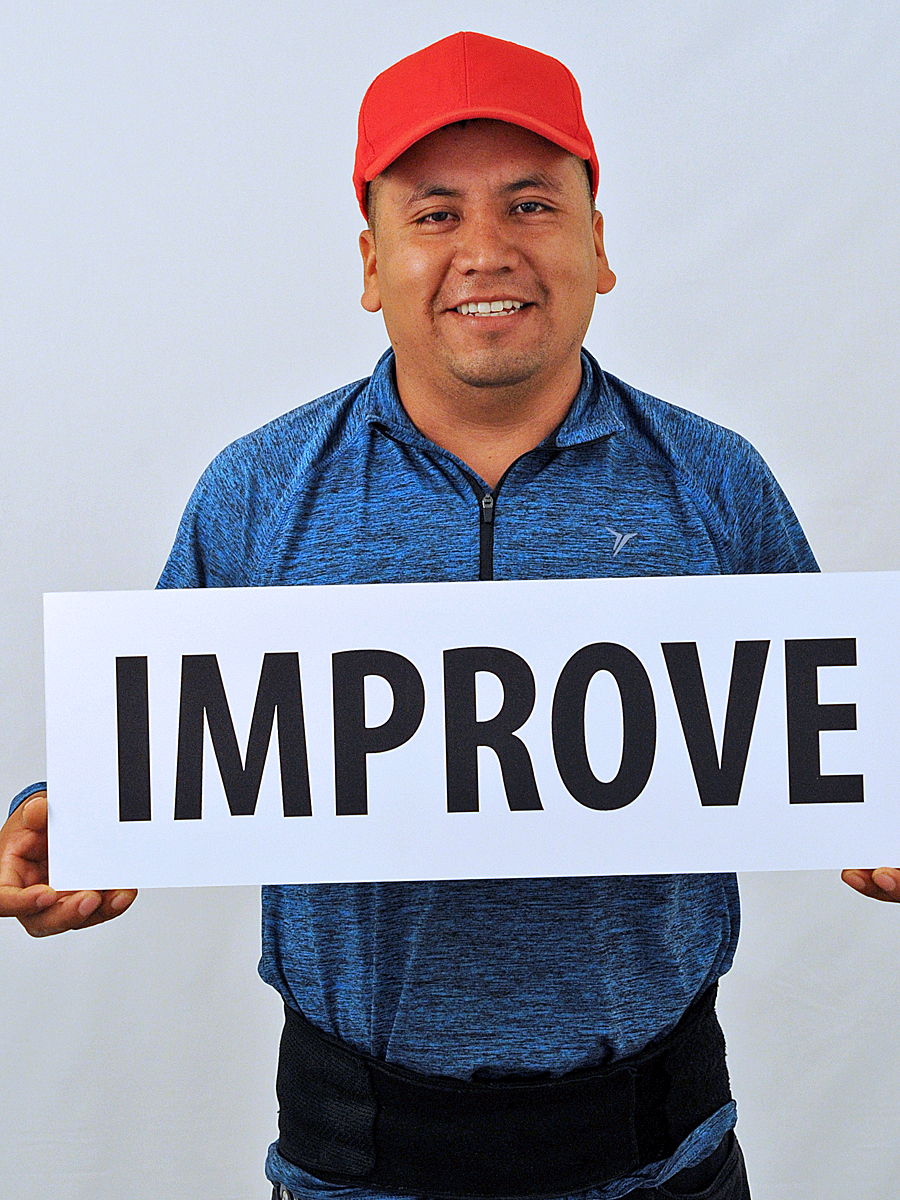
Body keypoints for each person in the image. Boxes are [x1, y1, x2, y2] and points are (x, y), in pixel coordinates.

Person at [1, 29, 897, 1200]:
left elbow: (830, 745)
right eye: (435, 214)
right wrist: (64, 820)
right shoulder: (258, 492)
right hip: (359, 1162)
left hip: (662, 1158)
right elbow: (161, 746)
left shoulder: (717, 483)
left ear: (598, 244)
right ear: (372, 262)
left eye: (531, 203)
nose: (486, 250)